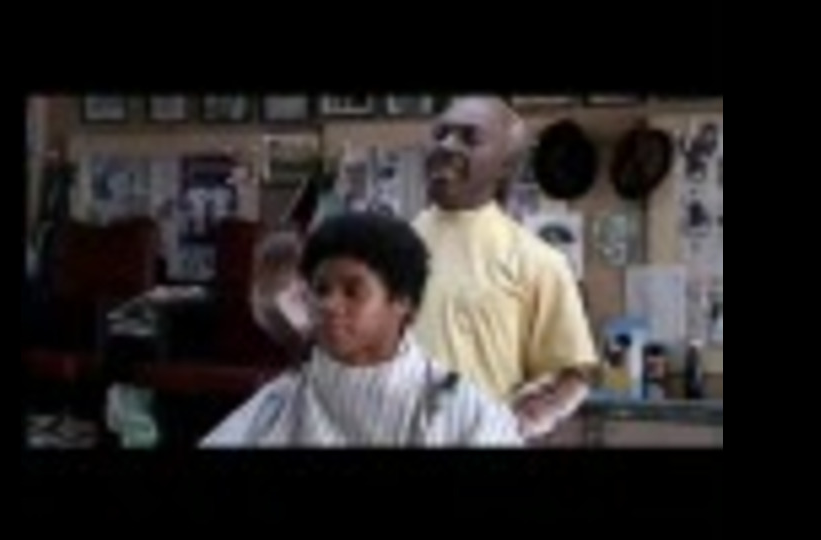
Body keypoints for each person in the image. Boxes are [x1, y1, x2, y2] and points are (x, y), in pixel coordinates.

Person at [199, 213, 522, 447]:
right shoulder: (279, 404)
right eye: (321, 290)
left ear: (403, 302)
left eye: (352, 291)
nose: (328, 305)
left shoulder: (462, 410)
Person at [411, 96, 598, 439]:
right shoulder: (387, 248)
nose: (446, 146)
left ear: (506, 166)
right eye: (440, 134)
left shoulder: (539, 262)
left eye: (469, 138)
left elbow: (573, 373)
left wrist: (533, 415)